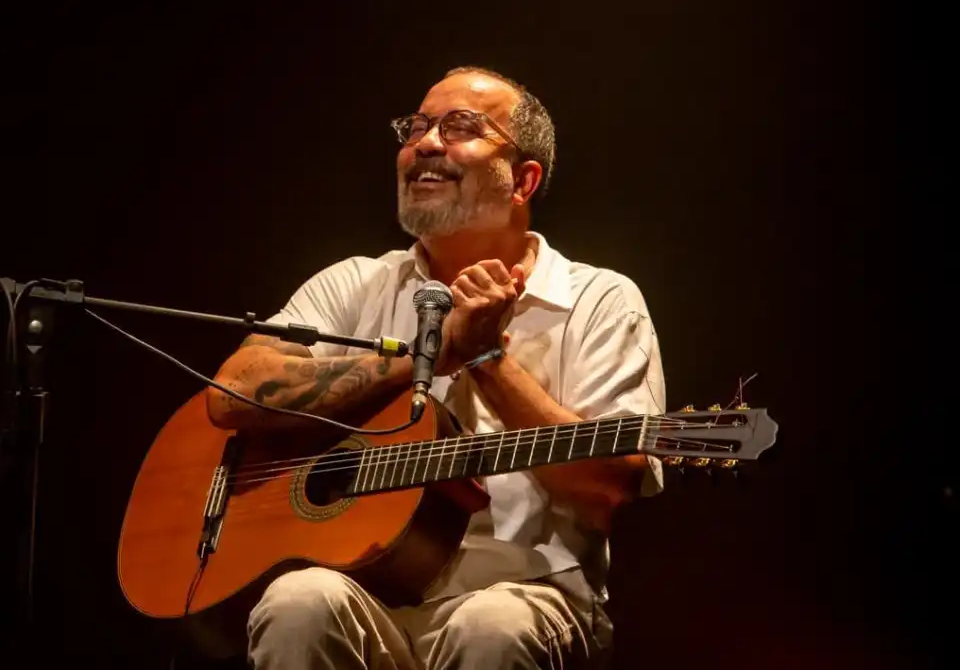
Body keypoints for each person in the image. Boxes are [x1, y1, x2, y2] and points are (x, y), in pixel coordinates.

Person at [206, 66, 666, 669]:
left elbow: (609, 486)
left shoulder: (598, 299)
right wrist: (421, 361)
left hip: (526, 597)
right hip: (367, 593)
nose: (423, 143)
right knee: (297, 600)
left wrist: (485, 359)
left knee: (491, 625)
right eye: (417, 127)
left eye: (459, 128)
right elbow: (232, 393)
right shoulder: (355, 283)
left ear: (523, 179)